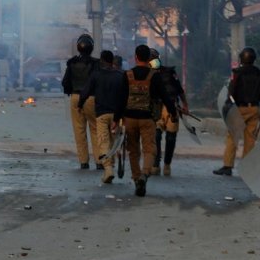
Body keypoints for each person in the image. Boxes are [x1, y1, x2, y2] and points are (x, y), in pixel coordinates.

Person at [117, 45, 177, 197]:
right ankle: (145, 174)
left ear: (136, 57)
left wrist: (115, 119)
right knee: (150, 149)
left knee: (133, 150)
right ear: (149, 59)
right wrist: (173, 112)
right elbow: (165, 96)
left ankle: (137, 179)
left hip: (129, 118)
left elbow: (121, 99)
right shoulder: (154, 76)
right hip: (147, 119)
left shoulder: (127, 75)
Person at [214, 47, 260, 176]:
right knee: (250, 139)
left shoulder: (237, 73)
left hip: (239, 109)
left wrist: (228, 106)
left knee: (233, 137)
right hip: (255, 109)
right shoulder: (259, 73)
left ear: (242, 58)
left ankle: (227, 166)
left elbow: (231, 92)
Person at [78, 50, 125, 184]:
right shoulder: (121, 75)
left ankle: (108, 169)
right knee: (115, 142)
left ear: (102, 61)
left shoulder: (96, 75)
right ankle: (113, 165)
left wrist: (80, 105)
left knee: (103, 142)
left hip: (102, 114)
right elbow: (125, 96)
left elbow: (85, 92)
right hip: (117, 115)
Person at [62, 33, 100, 169]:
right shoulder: (96, 63)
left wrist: (70, 92)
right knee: (95, 129)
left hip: (75, 97)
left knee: (79, 130)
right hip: (91, 98)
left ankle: (84, 161)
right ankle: (99, 160)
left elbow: (65, 82)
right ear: (91, 48)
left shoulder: (71, 63)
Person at [148, 48, 188, 177]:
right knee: (156, 136)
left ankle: (167, 165)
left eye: (154, 57)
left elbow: (179, 90)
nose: (153, 60)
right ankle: (155, 164)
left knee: (171, 138)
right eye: (151, 58)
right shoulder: (146, 74)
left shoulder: (169, 72)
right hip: (156, 108)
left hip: (171, 108)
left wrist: (185, 105)